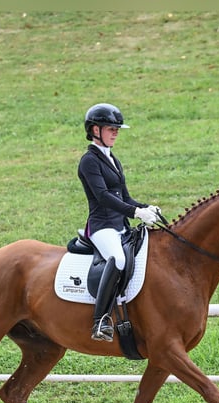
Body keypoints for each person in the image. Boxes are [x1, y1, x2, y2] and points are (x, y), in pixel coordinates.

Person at [77, 103, 160, 342]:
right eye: (110, 128)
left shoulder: (113, 159)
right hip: (102, 226)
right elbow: (103, 197)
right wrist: (135, 212)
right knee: (119, 259)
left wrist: (145, 208)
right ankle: (100, 320)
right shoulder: (89, 161)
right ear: (95, 130)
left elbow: (124, 197)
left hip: (120, 225)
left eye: (117, 128)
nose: (115, 132)